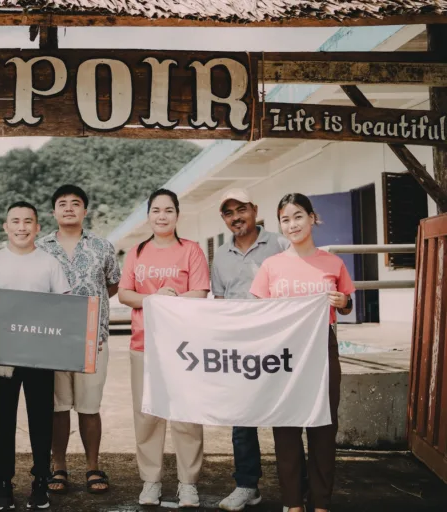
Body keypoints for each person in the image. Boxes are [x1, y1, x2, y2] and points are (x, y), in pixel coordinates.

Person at [249, 193, 354, 512]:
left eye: (297, 216)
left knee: (324, 427)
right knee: (286, 427)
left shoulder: (332, 262)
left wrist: (342, 303)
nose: (292, 224)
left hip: (322, 349)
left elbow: (348, 304)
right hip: (284, 353)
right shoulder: (271, 266)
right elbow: (257, 310)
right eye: (285, 219)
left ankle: (321, 502)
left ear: (312, 218)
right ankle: (293, 503)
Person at [0, 201, 71, 511]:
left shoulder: (49, 263)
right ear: (6, 227)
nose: (22, 226)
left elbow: (63, 307)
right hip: (2, 354)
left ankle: (41, 481)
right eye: (16, 221)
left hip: (40, 355)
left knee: (41, 419)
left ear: (37, 227)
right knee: (2, 419)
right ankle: (4, 483)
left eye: (28, 221)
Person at [117, 189, 209, 508]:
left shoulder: (191, 251)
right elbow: (125, 294)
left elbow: (199, 292)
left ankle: (188, 483)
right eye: (156, 210)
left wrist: (169, 303)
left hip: (184, 347)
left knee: (185, 415)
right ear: (148, 215)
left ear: (177, 215)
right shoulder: (137, 252)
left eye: (168, 210)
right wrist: (156, 300)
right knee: (147, 415)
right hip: (144, 345)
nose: (162, 216)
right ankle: (151, 481)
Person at [36, 185, 121, 496]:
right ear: (53, 212)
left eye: (75, 203)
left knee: (89, 407)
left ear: (85, 211)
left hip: (92, 342)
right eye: (62, 203)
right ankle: (59, 466)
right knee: (57, 408)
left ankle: (92, 466)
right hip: (53, 342)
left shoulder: (102, 247)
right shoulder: (40, 248)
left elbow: (110, 285)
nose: (69, 208)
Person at [211, 189, 290, 512]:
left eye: (241, 209)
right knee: (242, 420)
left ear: (255, 209)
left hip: (277, 345)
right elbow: (219, 302)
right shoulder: (221, 254)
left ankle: (294, 491)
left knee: (286, 418)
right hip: (239, 349)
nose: (236, 217)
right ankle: (247, 485)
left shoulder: (280, 244)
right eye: (228, 213)